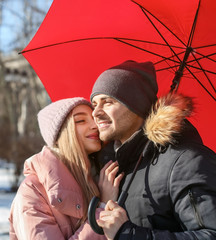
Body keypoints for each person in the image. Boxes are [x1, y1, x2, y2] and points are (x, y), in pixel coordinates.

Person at [89, 60, 216, 239]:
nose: (95, 112)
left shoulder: (186, 161)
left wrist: (128, 234)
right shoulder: (114, 167)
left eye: (107, 102)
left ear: (136, 105)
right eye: (94, 104)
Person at [9, 97, 123, 239]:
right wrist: (101, 209)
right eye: (80, 120)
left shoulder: (100, 178)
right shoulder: (32, 191)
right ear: (61, 133)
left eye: (93, 118)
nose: (95, 125)